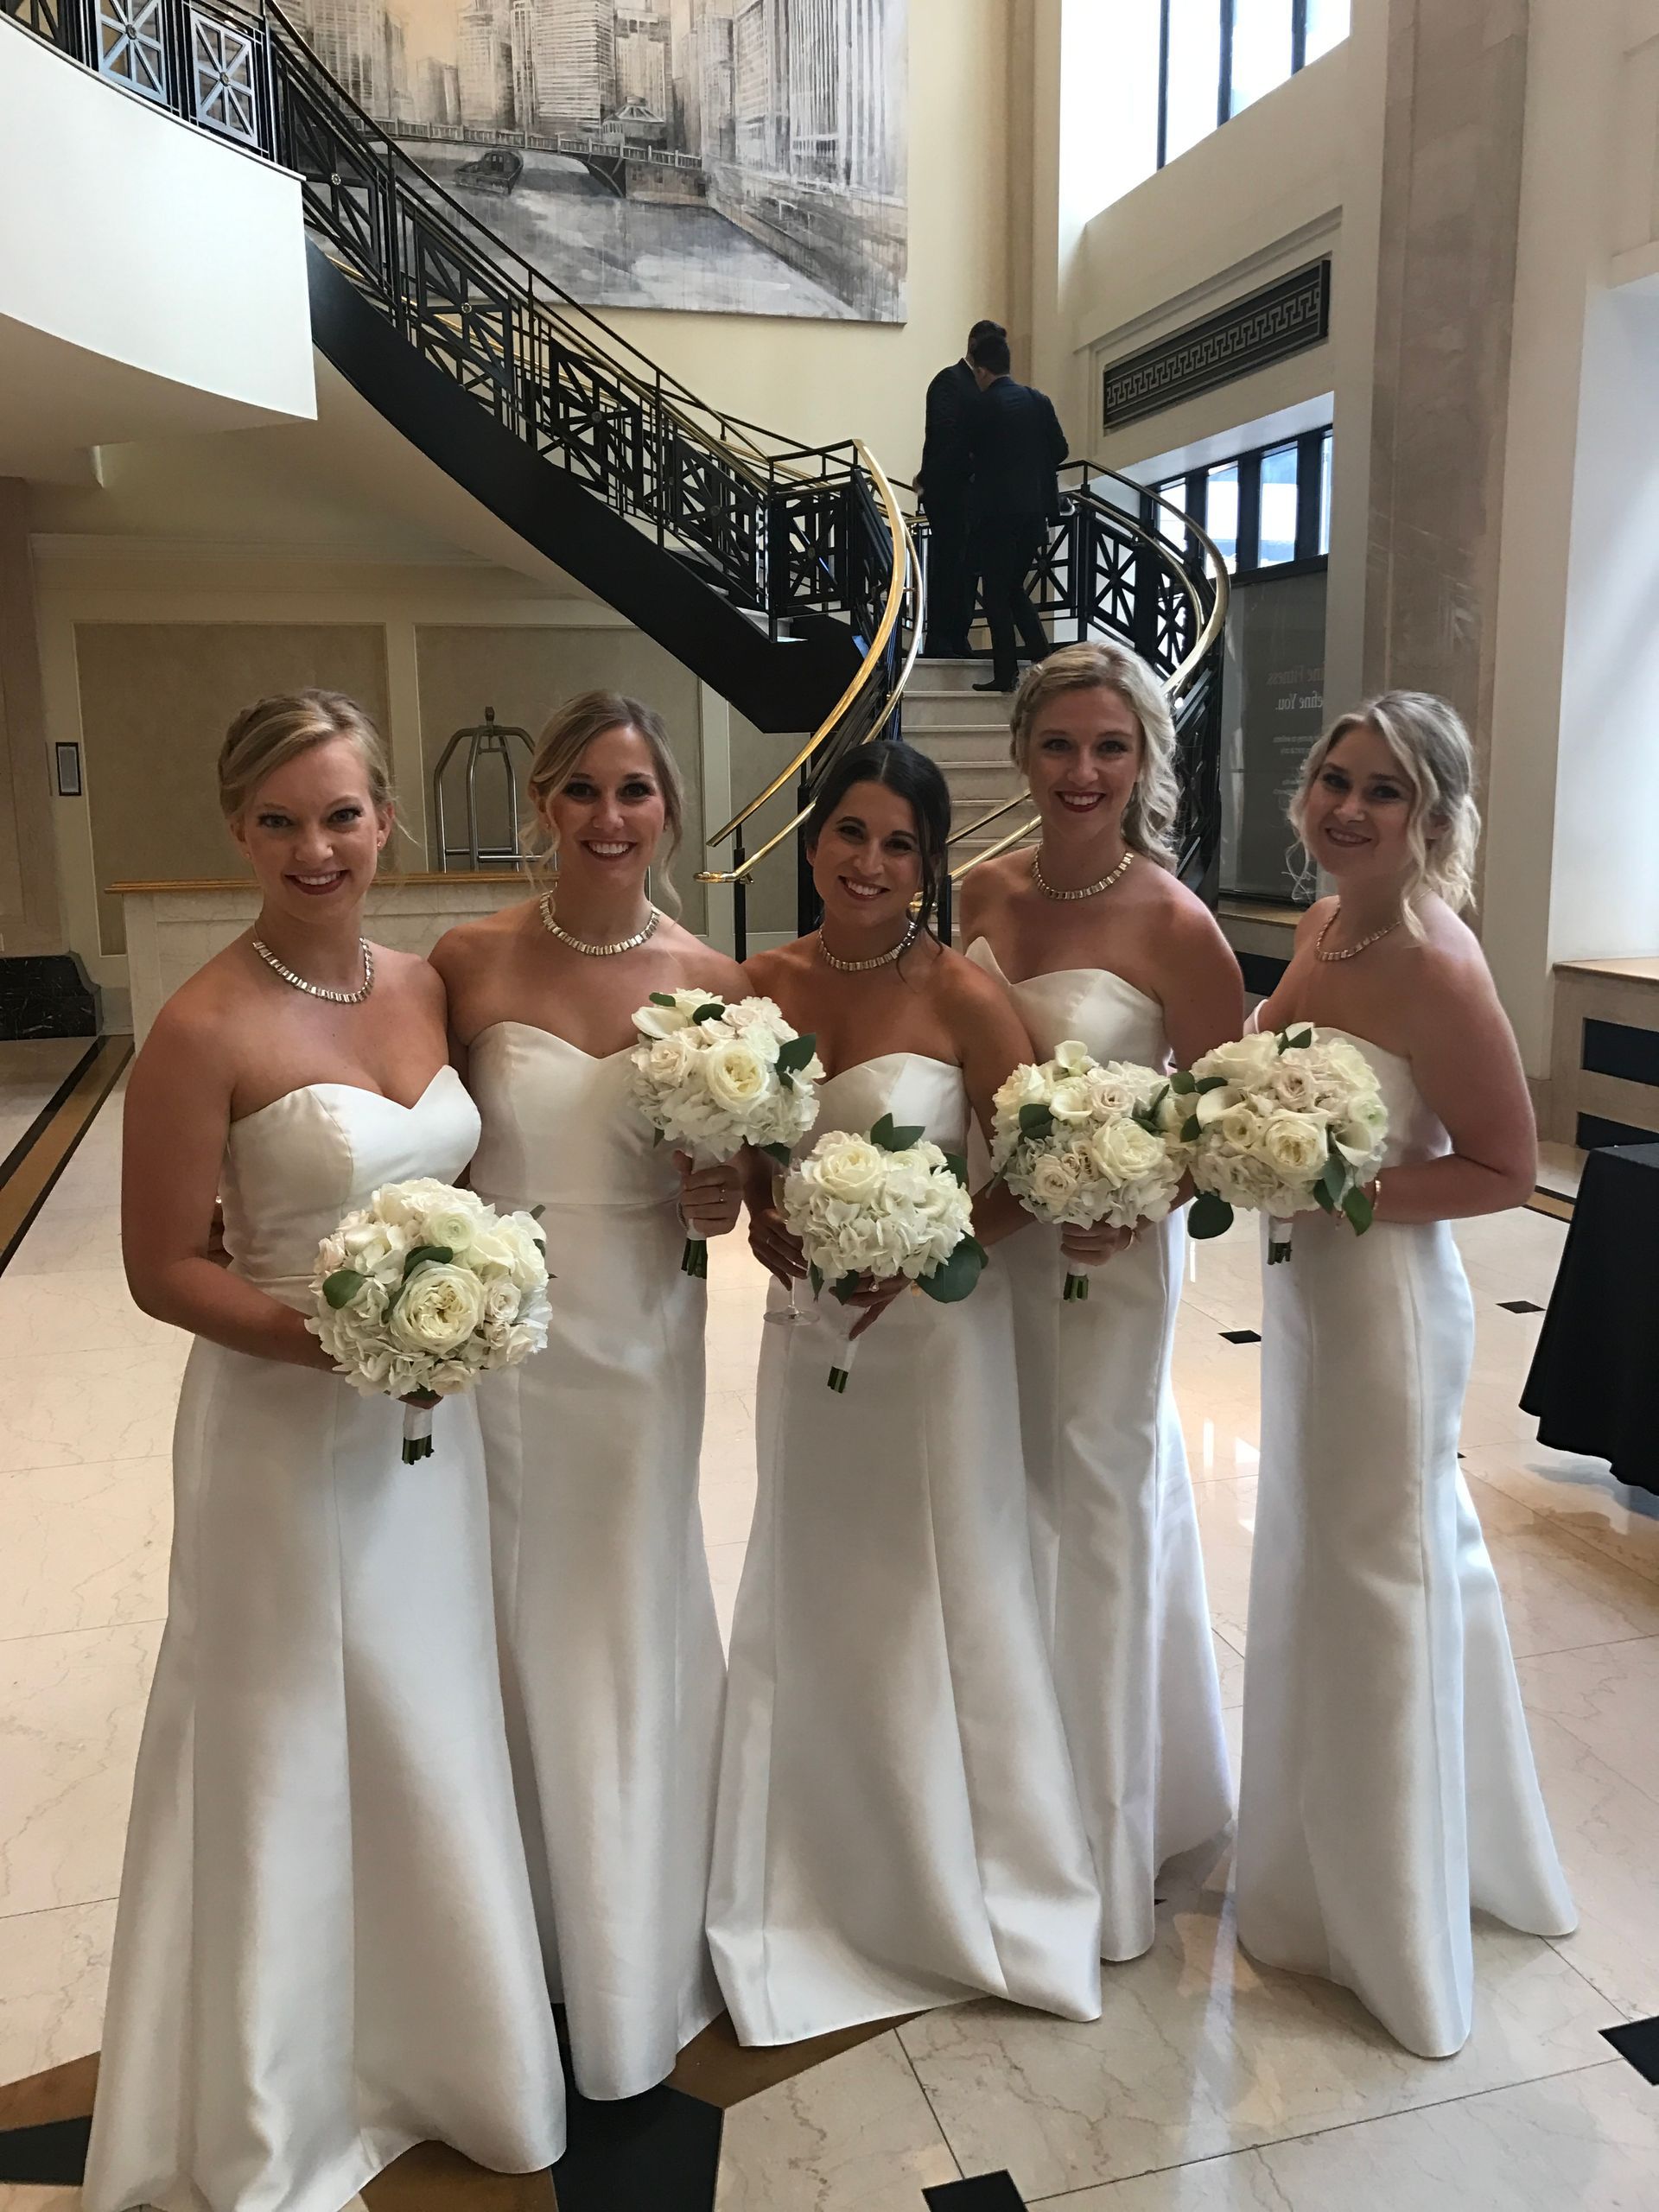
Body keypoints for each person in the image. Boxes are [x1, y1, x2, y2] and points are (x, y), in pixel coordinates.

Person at [86, 692, 564, 2212]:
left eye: (343, 813)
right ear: (238, 830)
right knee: (290, 1729)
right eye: (282, 818)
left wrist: (461, 1314)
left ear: (387, 822)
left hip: (432, 1436)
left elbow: (480, 1185)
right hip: (283, 1438)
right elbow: (164, 1267)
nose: (316, 845)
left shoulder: (430, 988)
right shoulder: (201, 1024)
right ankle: (274, 2101)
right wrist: (346, 1341)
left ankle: (446, 2050)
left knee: (425, 1715)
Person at [707, 739, 1103, 2046]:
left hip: (935, 1346)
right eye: (850, 834)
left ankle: (963, 1877)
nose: (869, 864)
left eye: (900, 845)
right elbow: (749, 1143)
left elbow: (1037, 1160)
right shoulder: (757, 987)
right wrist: (764, 1211)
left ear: (929, 869)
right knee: (817, 1572)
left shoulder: (960, 995)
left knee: (942, 1580)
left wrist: (939, 1248)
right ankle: (811, 1861)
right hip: (805, 1326)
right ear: (813, 840)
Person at [1236, 691, 1576, 2057]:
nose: (1349, 809)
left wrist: (1346, 1187)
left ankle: (1398, 1923)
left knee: (1385, 1570)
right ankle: (1324, 1869)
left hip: (1385, 1305)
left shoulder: (1439, 962)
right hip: (1311, 1291)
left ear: (1432, 817)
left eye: (1384, 791)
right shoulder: (1322, 927)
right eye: (1334, 780)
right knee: (1328, 1560)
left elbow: (1504, 1163)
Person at [430, 691, 745, 2101]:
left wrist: (722, 1187)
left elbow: (729, 1210)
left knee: (624, 1605)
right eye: (583, 793)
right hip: (505, 1344)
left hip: (641, 1332)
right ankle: (512, 1926)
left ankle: (633, 1923)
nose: (609, 819)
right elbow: (425, 1146)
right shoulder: (467, 962)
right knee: (506, 1603)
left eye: (635, 792)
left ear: (668, 808)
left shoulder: (715, 984)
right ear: (543, 805)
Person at [959, 642, 1238, 1962]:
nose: (1082, 773)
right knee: (1002, 1486)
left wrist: (1142, 1188)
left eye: (1109, 749)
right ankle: (1005, 1793)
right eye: (1061, 746)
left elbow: (1220, 1119)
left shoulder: (1175, 923)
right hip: (998, 1245)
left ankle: (1109, 1821)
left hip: (1114, 1255)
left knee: (1102, 1493)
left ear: (1144, 765)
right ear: (1024, 754)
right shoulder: (982, 894)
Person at [963, 327, 1068, 694]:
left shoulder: (983, 406)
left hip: (997, 516)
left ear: (980, 371)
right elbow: (1060, 450)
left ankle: (1007, 674)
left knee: (995, 592)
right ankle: (1045, 664)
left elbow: (968, 458)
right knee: (1013, 589)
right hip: (1035, 514)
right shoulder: (1038, 400)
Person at [915, 317, 1005, 658]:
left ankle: (958, 634)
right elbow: (945, 434)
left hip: (975, 495)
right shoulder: (950, 381)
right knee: (950, 565)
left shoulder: (984, 386)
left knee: (968, 568)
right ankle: (942, 638)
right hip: (951, 492)